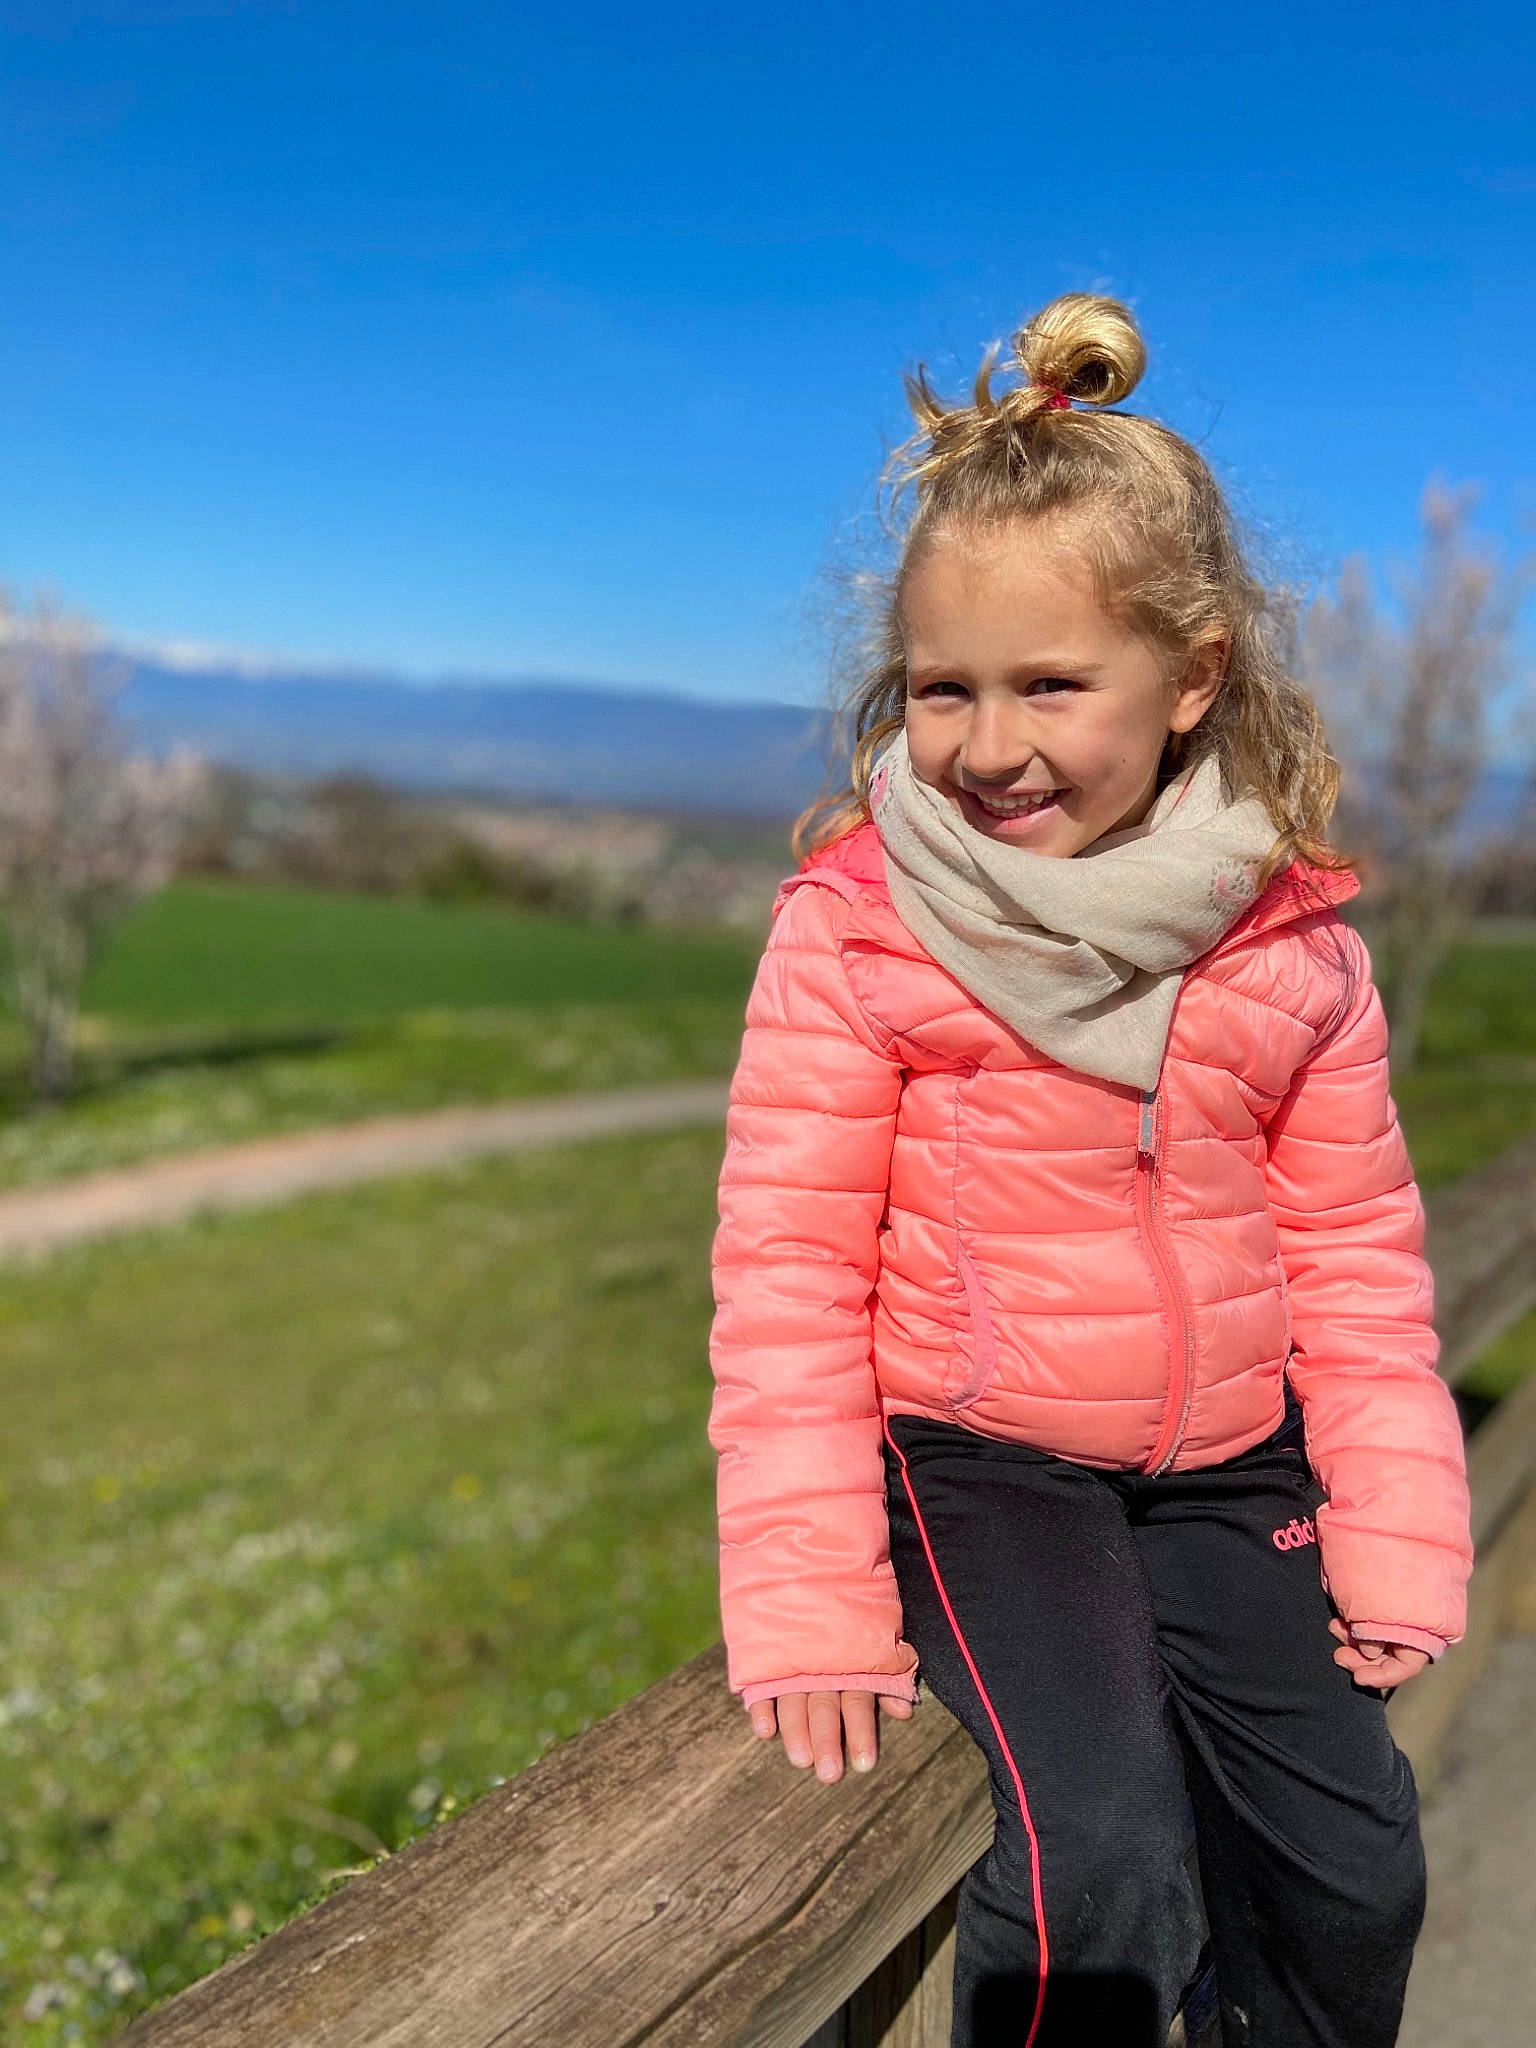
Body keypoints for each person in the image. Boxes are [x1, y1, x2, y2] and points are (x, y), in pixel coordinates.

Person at [706, 292, 1473, 2048]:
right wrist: (813, 1593)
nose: (987, 745)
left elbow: (1355, 1253)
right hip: (982, 1470)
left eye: (1053, 682)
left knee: (1356, 1866)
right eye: (942, 690)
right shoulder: (858, 932)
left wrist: (1403, 1520)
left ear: (1192, 678)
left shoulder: (1290, 943)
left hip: (1227, 1460)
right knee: (1103, 1864)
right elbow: (791, 1275)